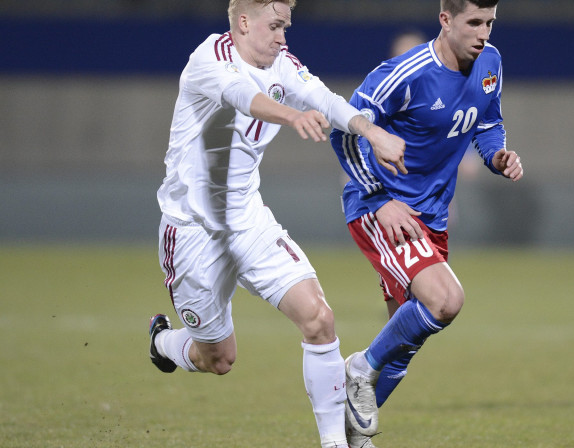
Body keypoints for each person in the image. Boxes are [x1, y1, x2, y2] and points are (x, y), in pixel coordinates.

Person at [145, 1, 407, 447]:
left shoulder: (282, 64)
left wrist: (372, 132)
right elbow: (244, 97)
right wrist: (292, 115)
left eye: (286, 26)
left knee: (319, 318)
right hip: (192, 231)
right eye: (276, 25)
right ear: (244, 22)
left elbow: (325, 98)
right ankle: (164, 343)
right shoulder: (209, 59)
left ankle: (334, 444)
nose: (284, 37)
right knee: (218, 358)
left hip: (248, 220)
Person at [329, 0, 523, 446]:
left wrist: (497, 155)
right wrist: (379, 199)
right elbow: (343, 128)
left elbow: (488, 121)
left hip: (430, 218)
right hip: (384, 211)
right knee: (446, 300)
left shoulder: (489, 62)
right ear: (445, 20)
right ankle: (358, 368)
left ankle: (347, 440)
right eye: (473, 22)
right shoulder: (406, 73)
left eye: (490, 22)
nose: (483, 33)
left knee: (403, 344)